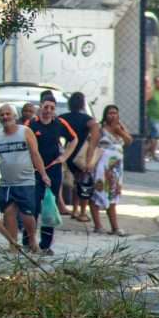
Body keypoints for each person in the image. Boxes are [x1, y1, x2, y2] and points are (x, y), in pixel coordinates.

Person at [0, 104, 48, 252]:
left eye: (7, 114)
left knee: (27, 214)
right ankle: (13, 244)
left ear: (14, 116)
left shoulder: (25, 132)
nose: (5, 117)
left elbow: (35, 154)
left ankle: (32, 239)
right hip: (7, 183)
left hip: (25, 181)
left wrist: (43, 174)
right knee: (9, 212)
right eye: (2, 115)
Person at [25, 94, 78, 255]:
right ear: (40, 107)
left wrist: (64, 157)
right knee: (32, 205)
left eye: (52, 108)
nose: (48, 111)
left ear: (55, 110)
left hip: (53, 169)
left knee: (49, 206)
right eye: (46, 107)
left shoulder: (60, 123)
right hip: (34, 171)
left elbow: (74, 139)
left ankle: (45, 244)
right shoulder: (31, 124)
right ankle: (29, 241)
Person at [90, 104, 132, 235]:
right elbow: (92, 145)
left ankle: (115, 227)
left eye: (115, 113)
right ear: (105, 115)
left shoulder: (120, 127)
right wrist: (89, 163)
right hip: (102, 167)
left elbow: (129, 141)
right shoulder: (100, 128)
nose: (113, 115)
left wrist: (120, 131)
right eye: (110, 113)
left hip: (116, 169)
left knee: (113, 195)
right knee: (98, 193)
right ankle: (98, 225)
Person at [60, 92, 98, 223]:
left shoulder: (63, 118)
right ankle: (82, 212)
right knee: (84, 183)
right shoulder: (87, 119)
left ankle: (75, 210)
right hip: (82, 155)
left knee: (75, 183)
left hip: (69, 153)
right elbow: (95, 134)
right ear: (82, 104)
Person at [145, 75, 159, 163]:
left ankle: (150, 153)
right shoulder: (152, 92)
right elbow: (145, 102)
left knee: (157, 137)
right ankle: (151, 154)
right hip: (153, 117)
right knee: (155, 136)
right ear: (155, 83)